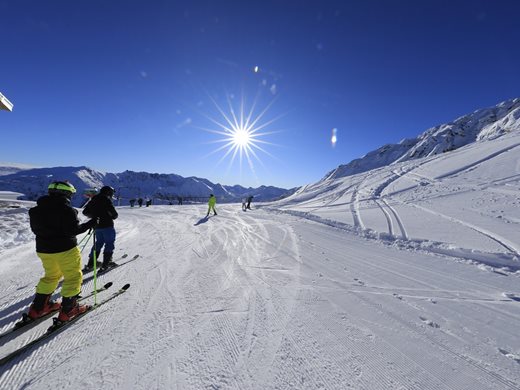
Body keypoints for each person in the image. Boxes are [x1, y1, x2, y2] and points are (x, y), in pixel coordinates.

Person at [26, 181, 97, 322]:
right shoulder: (67, 210)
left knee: (51, 276)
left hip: (44, 250)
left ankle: (38, 308)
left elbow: (37, 230)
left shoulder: (35, 210)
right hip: (66, 250)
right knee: (73, 277)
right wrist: (91, 223)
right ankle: (69, 310)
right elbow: (73, 230)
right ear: (67, 194)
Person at [83, 186, 118, 271]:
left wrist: (94, 216)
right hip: (107, 225)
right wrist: (108, 215)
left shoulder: (93, 199)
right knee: (109, 243)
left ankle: (90, 264)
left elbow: (85, 212)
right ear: (109, 193)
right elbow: (115, 215)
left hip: (97, 226)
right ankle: (106, 264)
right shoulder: (106, 200)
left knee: (98, 243)